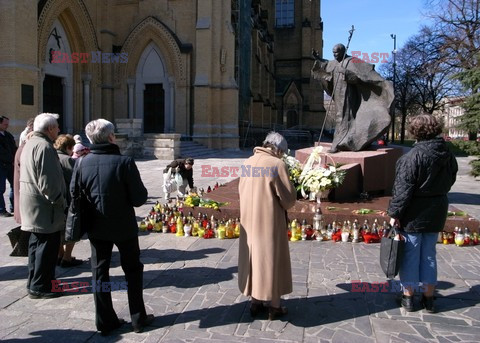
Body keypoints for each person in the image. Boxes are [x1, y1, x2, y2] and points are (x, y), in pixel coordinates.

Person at [76, 118, 153, 335]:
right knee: (133, 270)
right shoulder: (124, 162)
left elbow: (75, 194)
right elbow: (139, 198)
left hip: (96, 226)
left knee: (99, 272)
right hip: (124, 227)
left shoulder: (82, 163)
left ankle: (105, 321)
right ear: (111, 137)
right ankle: (138, 318)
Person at [387, 114, 458, 313]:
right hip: (437, 209)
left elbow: (402, 190)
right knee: (429, 255)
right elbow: (451, 179)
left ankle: (408, 298)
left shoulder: (411, 157)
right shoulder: (448, 155)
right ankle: (428, 299)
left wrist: (395, 213)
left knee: (410, 254)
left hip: (414, 212)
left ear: (415, 132)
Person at [238, 132, 297, 320]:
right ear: (277, 149)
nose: (282, 156)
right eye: (283, 152)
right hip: (269, 221)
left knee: (254, 260)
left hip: (249, 220)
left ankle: (255, 302)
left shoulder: (247, 162)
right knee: (272, 261)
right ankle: (274, 306)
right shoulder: (276, 164)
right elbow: (288, 200)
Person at [311, 44, 393, 152]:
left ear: (343, 52)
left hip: (349, 94)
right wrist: (318, 58)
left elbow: (362, 76)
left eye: (337, 52)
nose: (334, 55)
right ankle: (345, 141)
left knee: (344, 117)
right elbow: (327, 65)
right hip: (338, 94)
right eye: (333, 52)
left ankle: (339, 143)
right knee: (340, 117)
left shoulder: (352, 61)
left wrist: (348, 74)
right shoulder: (335, 63)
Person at [20, 113, 66, 299]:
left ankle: (33, 282)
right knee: (47, 248)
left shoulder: (30, 143)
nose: (58, 130)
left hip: (31, 204)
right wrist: (60, 201)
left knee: (35, 245)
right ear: (49, 129)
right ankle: (42, 286)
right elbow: (48, 183)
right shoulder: (45, 146)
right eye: (56, 127)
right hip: (45, 207)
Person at [54, 134, 84, 268]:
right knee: (72, 228)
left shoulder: (52, 156)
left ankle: (60, 255)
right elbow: (77, 179)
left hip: (55, 199)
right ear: (69, 147)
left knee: (59, 229)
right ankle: (67, 257)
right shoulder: (68, 160)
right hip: (69, 199)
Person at [0, 115, 17, 217]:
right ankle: (1, 209)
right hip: (2, 165)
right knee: (1, 188)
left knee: (15, 186)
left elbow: (14, 148)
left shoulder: (8, 135)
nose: (7, 126)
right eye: (5, 124)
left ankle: (14, 206)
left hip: (10, 165)